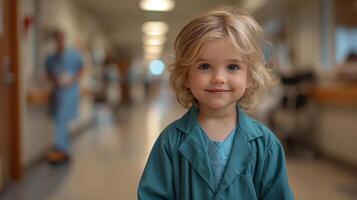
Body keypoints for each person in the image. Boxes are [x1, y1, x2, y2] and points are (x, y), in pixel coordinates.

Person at [138, 7, 294, 199]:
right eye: (205, 66)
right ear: (186, 76)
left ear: (249, 77)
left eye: (233, 67)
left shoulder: (266, 145)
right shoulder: (170, 142)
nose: (219, 78)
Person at [46, 29, 83, 164]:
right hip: (58, 92)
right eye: (57, 39)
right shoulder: (51, 58)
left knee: (63, 119)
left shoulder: (74, 55)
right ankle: (62, 150)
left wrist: (72, 79)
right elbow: (49, 73)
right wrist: (55, 80)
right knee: (60, 120)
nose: (60, 42)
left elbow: (81, 69)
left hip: (70, 91)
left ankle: (61, 149)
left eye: (62, 38)